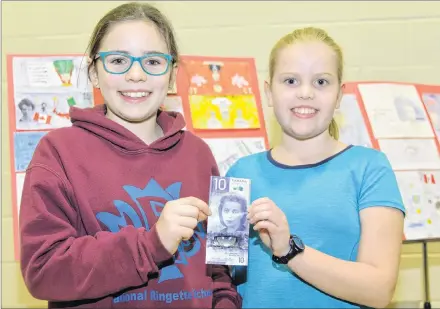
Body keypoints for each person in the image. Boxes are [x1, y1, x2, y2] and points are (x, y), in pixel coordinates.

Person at [19, 2, 241, 309]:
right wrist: (151, 244)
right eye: (118, 60)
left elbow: (221, 266)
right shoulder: (57, 152)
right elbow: (43, 271)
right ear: (94, 73)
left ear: (172, 75)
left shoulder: (199, 154)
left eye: (152, 61)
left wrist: (226, 303)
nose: (135, 75)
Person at [226, 27, 405, 308]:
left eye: (321, 82)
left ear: (339, 96)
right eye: (290, 81)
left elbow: (379, 289)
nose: (306, 93)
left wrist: (289, 250)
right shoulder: (240, 174)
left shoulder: (369, 168)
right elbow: (222, 279)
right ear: (269, 92)